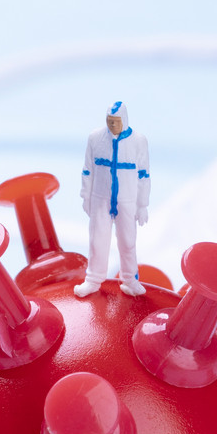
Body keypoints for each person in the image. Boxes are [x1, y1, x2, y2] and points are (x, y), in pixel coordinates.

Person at [74, 101, 150, 298]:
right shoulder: (95, 138)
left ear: (124, 120)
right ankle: (93, 280)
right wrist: (86, 196)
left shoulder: (138, 141)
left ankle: (130, 280)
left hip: (127, 200)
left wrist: (142, 205)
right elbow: (87, 170)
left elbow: (143, 175)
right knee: (97, 241)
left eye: (117, 121)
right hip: (100, 199)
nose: (113, 125)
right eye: (110, 120)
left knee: (128, 241)